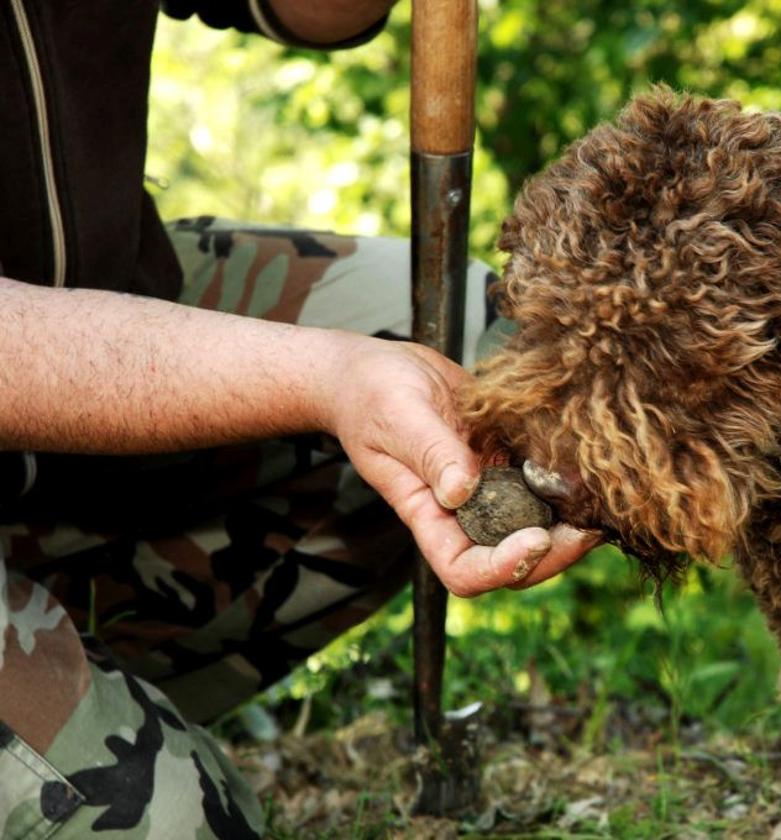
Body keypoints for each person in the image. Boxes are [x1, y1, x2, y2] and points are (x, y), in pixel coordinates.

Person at [0, 2, 595, 837]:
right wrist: (328, 379)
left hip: (88, 322)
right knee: (172, 822)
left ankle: (74, 667)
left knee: (494, 362)